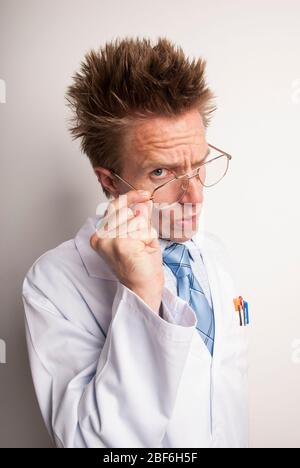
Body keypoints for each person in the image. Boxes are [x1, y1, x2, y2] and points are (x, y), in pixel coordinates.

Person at [22, 37, 248, 448]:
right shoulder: (52, 284)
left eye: (198, 166)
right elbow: (94, 445)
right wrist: (141, 292)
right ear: (109, 180)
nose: (194, 196)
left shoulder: (215, 255)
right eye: (161, 172)